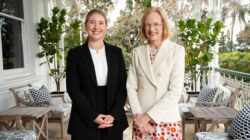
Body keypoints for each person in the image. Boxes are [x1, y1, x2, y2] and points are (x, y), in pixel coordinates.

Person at [66, 9, 128, 140]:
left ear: (106, 26)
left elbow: (122, 86)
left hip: (113, 117)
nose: (96, 27)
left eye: (101, 23)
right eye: (92, 22)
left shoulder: (117, 53)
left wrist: (115, 114)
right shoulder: (75, 54)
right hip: (83, 116)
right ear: (86, 25)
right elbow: (73, 89)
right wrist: (92, 116)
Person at [126, 7, 185, 140]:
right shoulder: (137, 52)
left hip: (167, 120)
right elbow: (131, 87)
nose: (152, 29)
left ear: (164, 25)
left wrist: (148, 117)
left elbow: (175, 92)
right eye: (148, 25)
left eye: (156, 24)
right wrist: (139, 115)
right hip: (140, 121)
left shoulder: (177, 51)